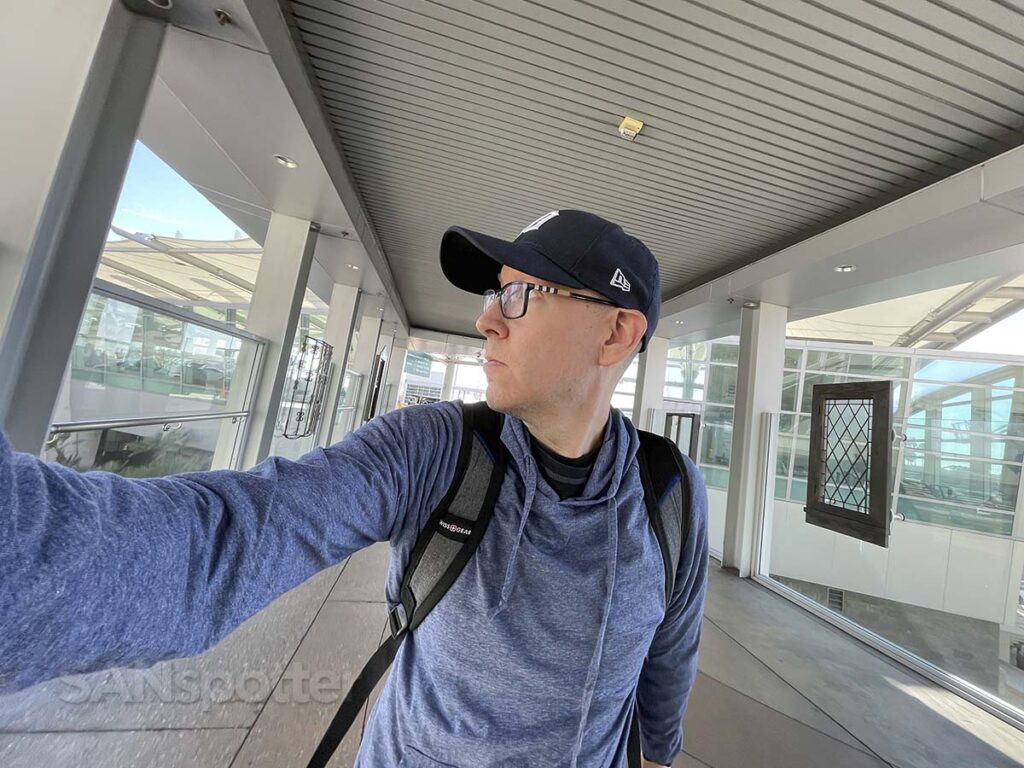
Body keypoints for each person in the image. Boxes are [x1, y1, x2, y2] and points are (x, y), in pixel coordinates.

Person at [0, 209, 708, 767]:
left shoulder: (669, 491)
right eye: (497, 291)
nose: (486, 317)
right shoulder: (432, 451)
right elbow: (222, 541)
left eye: (520, 294)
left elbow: (669, 653)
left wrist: (658, 755)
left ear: (616, 332)